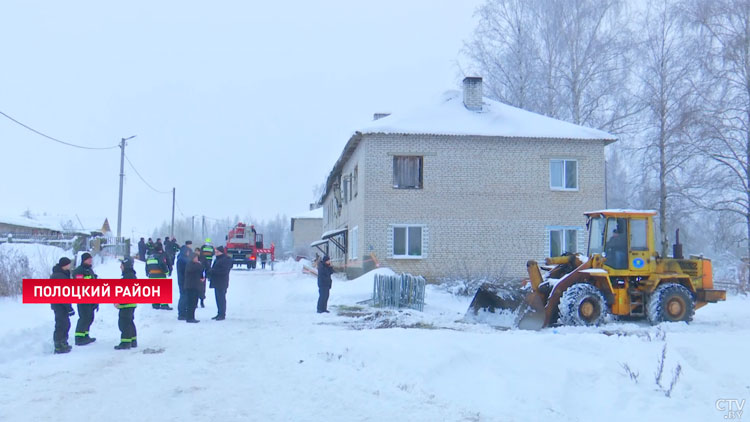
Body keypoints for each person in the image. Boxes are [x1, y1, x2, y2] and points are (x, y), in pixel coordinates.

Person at [73, 252, 98, 345]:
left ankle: (85, 335)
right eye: (89, 259)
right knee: (84, 317)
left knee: (90, 317)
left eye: (91, 259)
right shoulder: (78, 271)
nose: (91, 260)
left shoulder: (90, 270)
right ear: (84, 260)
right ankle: (79, 338)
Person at [50, 257, 74, 354]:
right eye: (69, 264)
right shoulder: (60, 276)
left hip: (58, 304)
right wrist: (69, 308)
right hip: (60, 305)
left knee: (65, 324)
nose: (70, 266)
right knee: (61, 325)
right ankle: (59, 345)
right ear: (65, 265)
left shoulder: (61, 274)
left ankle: (63, 343)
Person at [114, 257, 138, 350]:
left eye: (122, 265)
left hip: (126, 304)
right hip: (130, 304)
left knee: (124, 323)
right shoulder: (131, 276)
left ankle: (125, 342)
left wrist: (119, 301)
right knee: (129, 322)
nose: (120, 267)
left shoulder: (127, 277)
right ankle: (132, 340)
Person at [146, 243, 173, 310]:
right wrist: (167, 272)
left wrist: (147, 273)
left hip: (151, 275)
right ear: (159, 250)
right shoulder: (159, 256)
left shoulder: (149, 256)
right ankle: (164, 305)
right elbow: (162, 264)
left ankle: (155, 304)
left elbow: (146, 266)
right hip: (160, 275)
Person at [209, 246, 232, 321]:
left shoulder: (225, 260)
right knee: (218, 298)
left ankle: (222, 314)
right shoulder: (218, 259)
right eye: (215, 252)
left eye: (217, 252)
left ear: (221, 252)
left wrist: (213, 271)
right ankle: (219, 313)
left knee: (221, 299)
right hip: (217, 282)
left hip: (222, 282)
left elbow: (224, 271)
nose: (215, 253)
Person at [184, 253, 206, 323]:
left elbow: (201, 271)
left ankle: (192, 317)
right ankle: (189, 317)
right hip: (191, 286)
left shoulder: (196, 265)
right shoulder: (190, 264)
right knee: (191, 303)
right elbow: (194, 269)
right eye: (196, 258)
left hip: (195, 286)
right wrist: (199, 265)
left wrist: (202, 278)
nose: (197, 259)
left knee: (194, 303)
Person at [175, 240, 193, 320]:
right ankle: (182, 313)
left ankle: (182, 312)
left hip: (183, 280)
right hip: (184, 280)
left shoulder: (181, 257)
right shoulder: (183, 259)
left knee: (184, 296)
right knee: (184, 296)